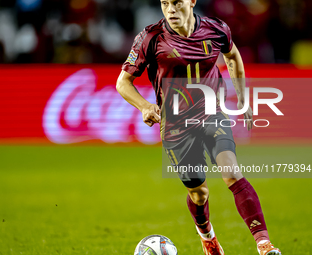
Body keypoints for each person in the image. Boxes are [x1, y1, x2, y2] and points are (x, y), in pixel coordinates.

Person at [116, 0, 281, 254]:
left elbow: (233, 55)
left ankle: (264, 244)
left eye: (177, 3)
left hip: (212, 114)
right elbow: (123, 82)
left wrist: (242, 96)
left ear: (192, 2)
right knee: (199, 193)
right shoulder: (150, 38)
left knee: (232, 173)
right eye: (164, 3)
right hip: (175, 127)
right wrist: (144, 106)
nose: (170, 10)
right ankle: (207, 236)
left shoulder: (216, 30)